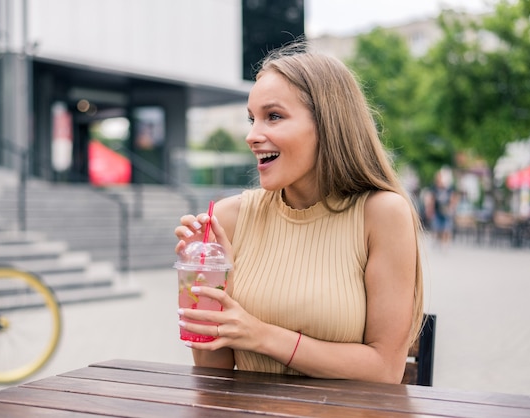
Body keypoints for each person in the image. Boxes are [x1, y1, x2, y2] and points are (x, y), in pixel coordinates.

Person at [174, 42, 424, 384]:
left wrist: (260, 335)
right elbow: (214, 375)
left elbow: (385, 370)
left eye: (273, 116)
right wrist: (208, 286)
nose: (251, 136)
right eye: (252, 119)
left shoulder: (381, 214)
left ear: (328, 124)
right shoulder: (230, 218)